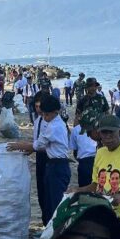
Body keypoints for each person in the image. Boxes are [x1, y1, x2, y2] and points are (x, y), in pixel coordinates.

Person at [7, 93, 48, 226]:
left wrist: (21, 146)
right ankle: (45, 221)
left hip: (50, 158)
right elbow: (37, 142)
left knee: (49, 194)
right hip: (40, 156)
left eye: (40, 106)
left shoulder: (50, 122)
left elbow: (44, 145)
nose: (38, 109)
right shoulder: (37, 120)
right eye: (36, 106)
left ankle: (49, 224)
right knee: (41, 191)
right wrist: (30, 149)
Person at [34, 95, 71, 225]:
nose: (44, 117)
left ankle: (56, 231)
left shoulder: (54, 126)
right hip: (54, 164)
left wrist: (21, 145)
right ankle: (50, 229)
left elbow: (38, 145)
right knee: (49, 199)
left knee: (55, 202)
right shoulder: (57, 123)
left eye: (46, 115)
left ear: (55, 112)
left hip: (57, 166)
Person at [69, 121, 97, 187]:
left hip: (85, 162)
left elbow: (75, 151)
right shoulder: (77, 129)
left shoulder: (76, 129)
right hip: (87, 162)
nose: (88, 135)